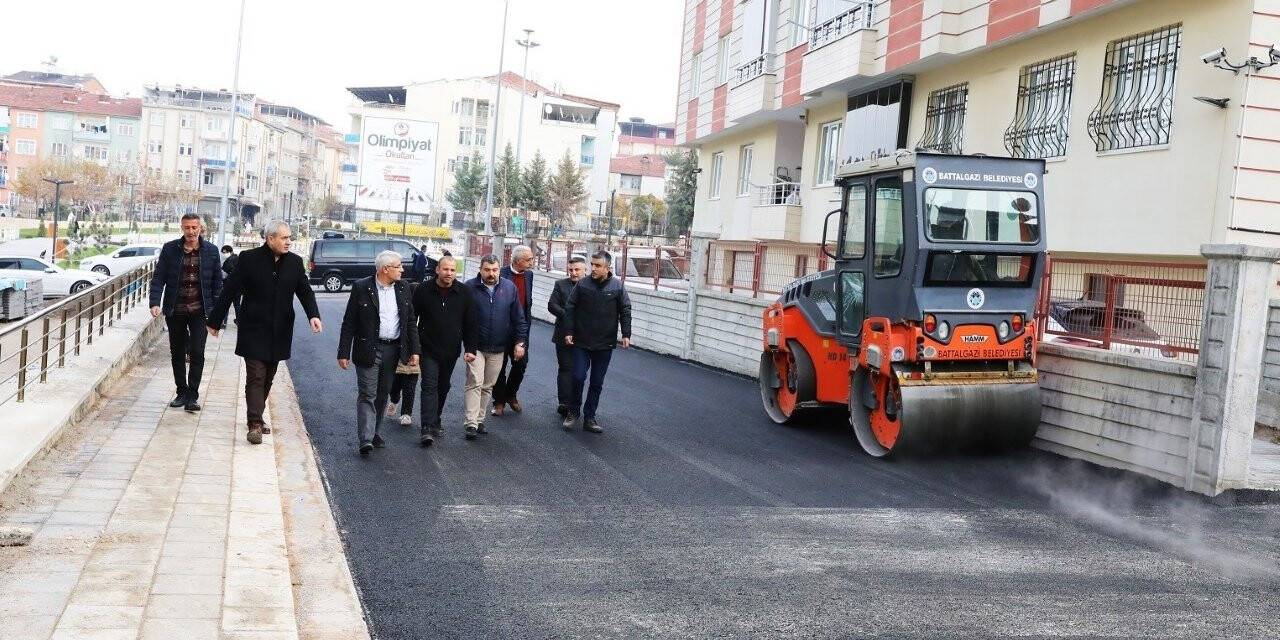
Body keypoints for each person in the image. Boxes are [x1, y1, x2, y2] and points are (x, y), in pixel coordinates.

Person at [207, 219, 322, 445]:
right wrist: (215, 320)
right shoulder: (249, 260)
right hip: (253, 327)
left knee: (268, 376)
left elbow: (305, 292)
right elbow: (230, 289)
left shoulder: (295, 263)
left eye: (290, 238)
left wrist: (313, 315)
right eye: (284, 238)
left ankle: (256, 415)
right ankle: (255, 424)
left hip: (280, 330)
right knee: (256, 375)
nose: (289, 242)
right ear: (270, 239)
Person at [338, 251, 420, 455]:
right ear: (385, 269)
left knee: (383, 393)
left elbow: (410, 322)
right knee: (367, 393)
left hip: (394, 349)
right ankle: (365, 438)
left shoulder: (404, 288)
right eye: (398, 266)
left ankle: (374, 431)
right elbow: (349, 322)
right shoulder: (361, 287)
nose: (402, 269)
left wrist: (414, 351)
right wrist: (343, 352)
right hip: (368, 348)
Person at [149, 213, 223, 413]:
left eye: (194, 228)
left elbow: (218, 285)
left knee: (198, 352)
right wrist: (155, 302)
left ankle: (193, 396)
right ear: (181, 228)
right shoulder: (170, 249)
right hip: (176, 309)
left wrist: (218, 315)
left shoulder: (212, 252)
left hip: (200, 311)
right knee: (177, 352)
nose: (190, 232)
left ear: (200, 228)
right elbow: (159, 277)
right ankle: (181, 392)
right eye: (187, 228)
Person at [562, 250, 632, 434]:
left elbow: (625, 310)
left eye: (597, 265)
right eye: (592, 265)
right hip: (581, 342)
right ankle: (573, 412)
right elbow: (569, 307)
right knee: (577, 377)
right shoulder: (583, 285)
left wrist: (626, 334)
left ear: (607, 268)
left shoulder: (617, 287)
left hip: (604, 343)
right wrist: (569, 331)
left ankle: (590, 417)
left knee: (596, 382)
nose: (593, 268)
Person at [411, 255, 477, 446]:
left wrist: (470, 348)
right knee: (429, 385)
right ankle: (426, 427)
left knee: (443, 386)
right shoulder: (423, 290)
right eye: (445, 269)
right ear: (437, 270)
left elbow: (471, 323)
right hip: (427, 348)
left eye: (452, 270)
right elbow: (412, 320)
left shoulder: (464, 292)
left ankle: (436, 417)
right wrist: (414, 347)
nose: (449, 273)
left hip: (451, 349)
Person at [464, 255, 527, 440]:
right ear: (480, 269)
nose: (491, 274)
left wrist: (520, 342)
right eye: (487, 270)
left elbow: (519, 319)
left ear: (500, 269)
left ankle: (480, 419)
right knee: (474, 382)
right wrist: (467, 345)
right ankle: (471, 423)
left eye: (495, 270)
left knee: (487, 385)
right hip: (476, 347)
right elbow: (462, 318)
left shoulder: (509, 288)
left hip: (499, 347)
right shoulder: (469, 287)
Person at [491, 245, 535, 416]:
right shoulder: (499, 273)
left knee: (521, 365)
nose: (532, 261)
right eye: (529, 259)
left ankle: (511, 394)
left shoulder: (529, 275)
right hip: (500, 330)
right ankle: (499, 401)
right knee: (499, 368)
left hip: (521, 330)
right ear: (517, 261)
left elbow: (526, 303)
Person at [548, 256, 587, 416]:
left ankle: (575, 402)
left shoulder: (590, 286)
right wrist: (568, 314)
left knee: (579, 372)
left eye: (577, 269)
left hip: (585, 336)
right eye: (570, 269)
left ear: (585, 270)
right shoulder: (560, 285)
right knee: (565, 368)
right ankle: (564, 402)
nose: (573, 273)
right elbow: (552, 305)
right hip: (563, 333)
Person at [220, 244, 240, 325]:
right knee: (237, 305)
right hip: (238, 287)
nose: (223, 254)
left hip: (229, 286)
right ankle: (239, 321)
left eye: (225, 252)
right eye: (222, 252)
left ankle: (223, 322)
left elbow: (224, 275)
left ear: (230, 252)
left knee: (225, 304)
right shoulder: (238, 259)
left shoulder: (228, 261)